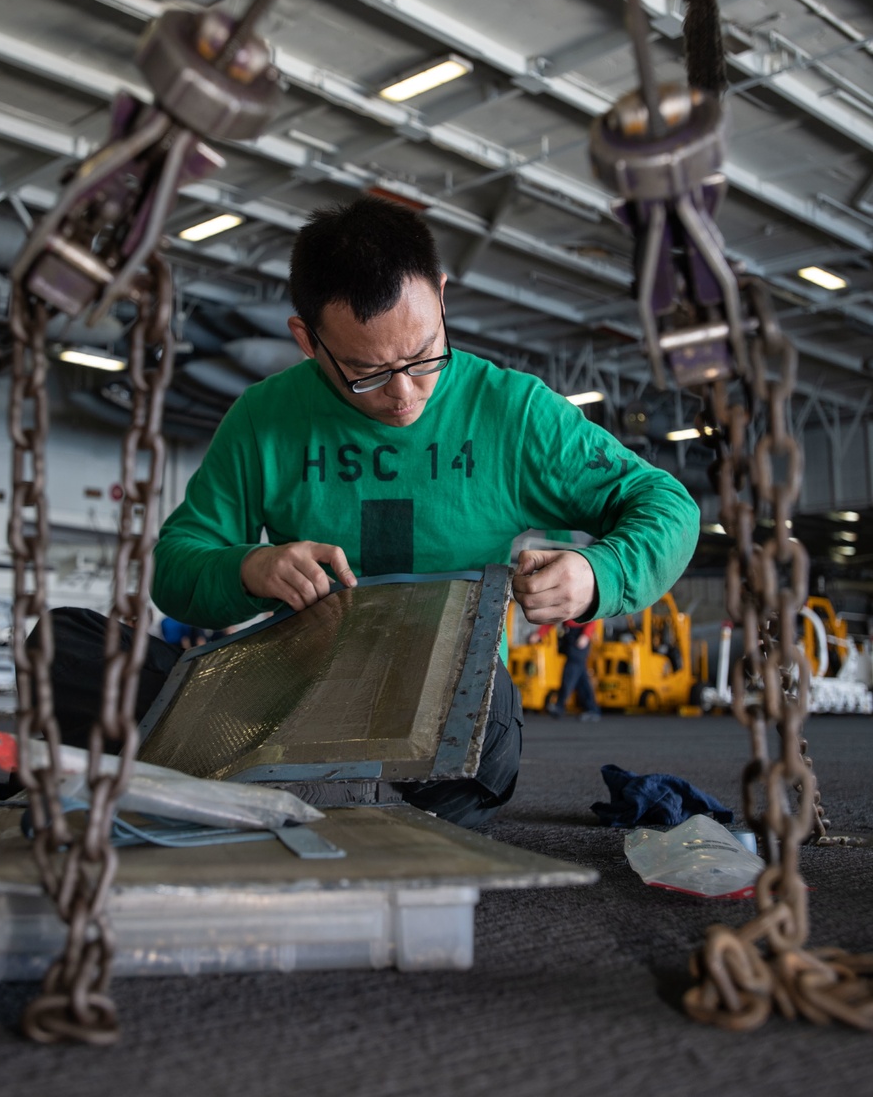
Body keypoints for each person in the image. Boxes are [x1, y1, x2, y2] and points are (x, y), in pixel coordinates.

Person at [150, 195, 700, 826]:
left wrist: (597, 574)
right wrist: (252, 568)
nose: (405, 393)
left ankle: (309, 803)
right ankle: (330, 802)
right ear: (307, 340)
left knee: (482, 721)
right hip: (292, 692)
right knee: (72, 647)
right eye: (367, 372)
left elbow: (666, 505)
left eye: (424, 356)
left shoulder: (512, 413)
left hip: (443, 707)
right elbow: (175, 565)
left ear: (441, 297)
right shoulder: (263, 419)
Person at [547, 620, 601, 720]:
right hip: (570, 636)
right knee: (581, 679)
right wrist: (539, 634)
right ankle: (592, 709)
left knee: (569, 673)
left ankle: (559, 705)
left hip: (579, 636)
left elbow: (593, 616)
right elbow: (554, 618)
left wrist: (586, 635)